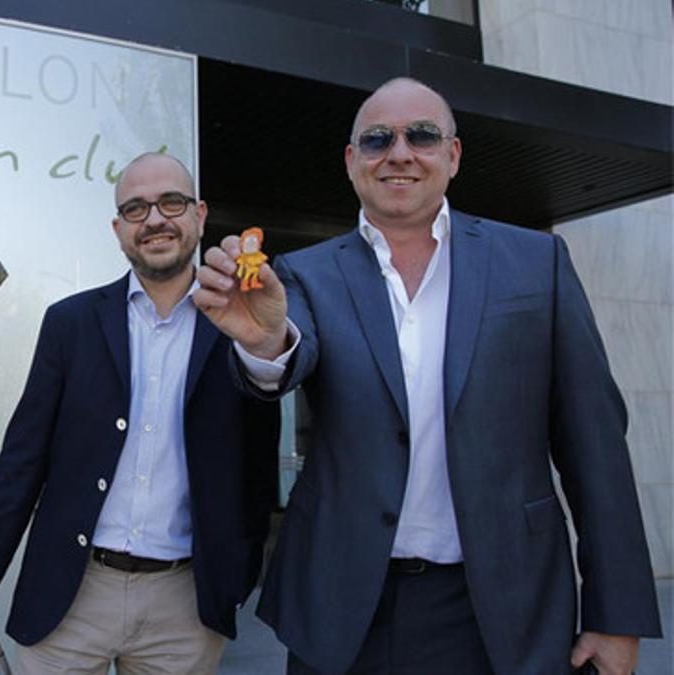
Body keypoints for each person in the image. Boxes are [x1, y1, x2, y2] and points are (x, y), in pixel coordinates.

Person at [193, 78, 662, 675]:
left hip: (504, 608)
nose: (399, 153)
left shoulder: (536, 263)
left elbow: (595, 446)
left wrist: (615, 613)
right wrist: (265, 343)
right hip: (342, 611)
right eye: (377, 139)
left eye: (421, 135)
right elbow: (288, 354)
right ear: (351, 160)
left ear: (453, 155)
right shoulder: (302, 273)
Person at [0, 152, 280, 673]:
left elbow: (256, 468)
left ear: (200, 215)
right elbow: (25, 459)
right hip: (71, 598)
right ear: (118, 230)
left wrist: (236, 579)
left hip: (185, 607)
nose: (155, 219)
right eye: (136, 209)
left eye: (171, 202)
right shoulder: (70, 324)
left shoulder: (239, 325)